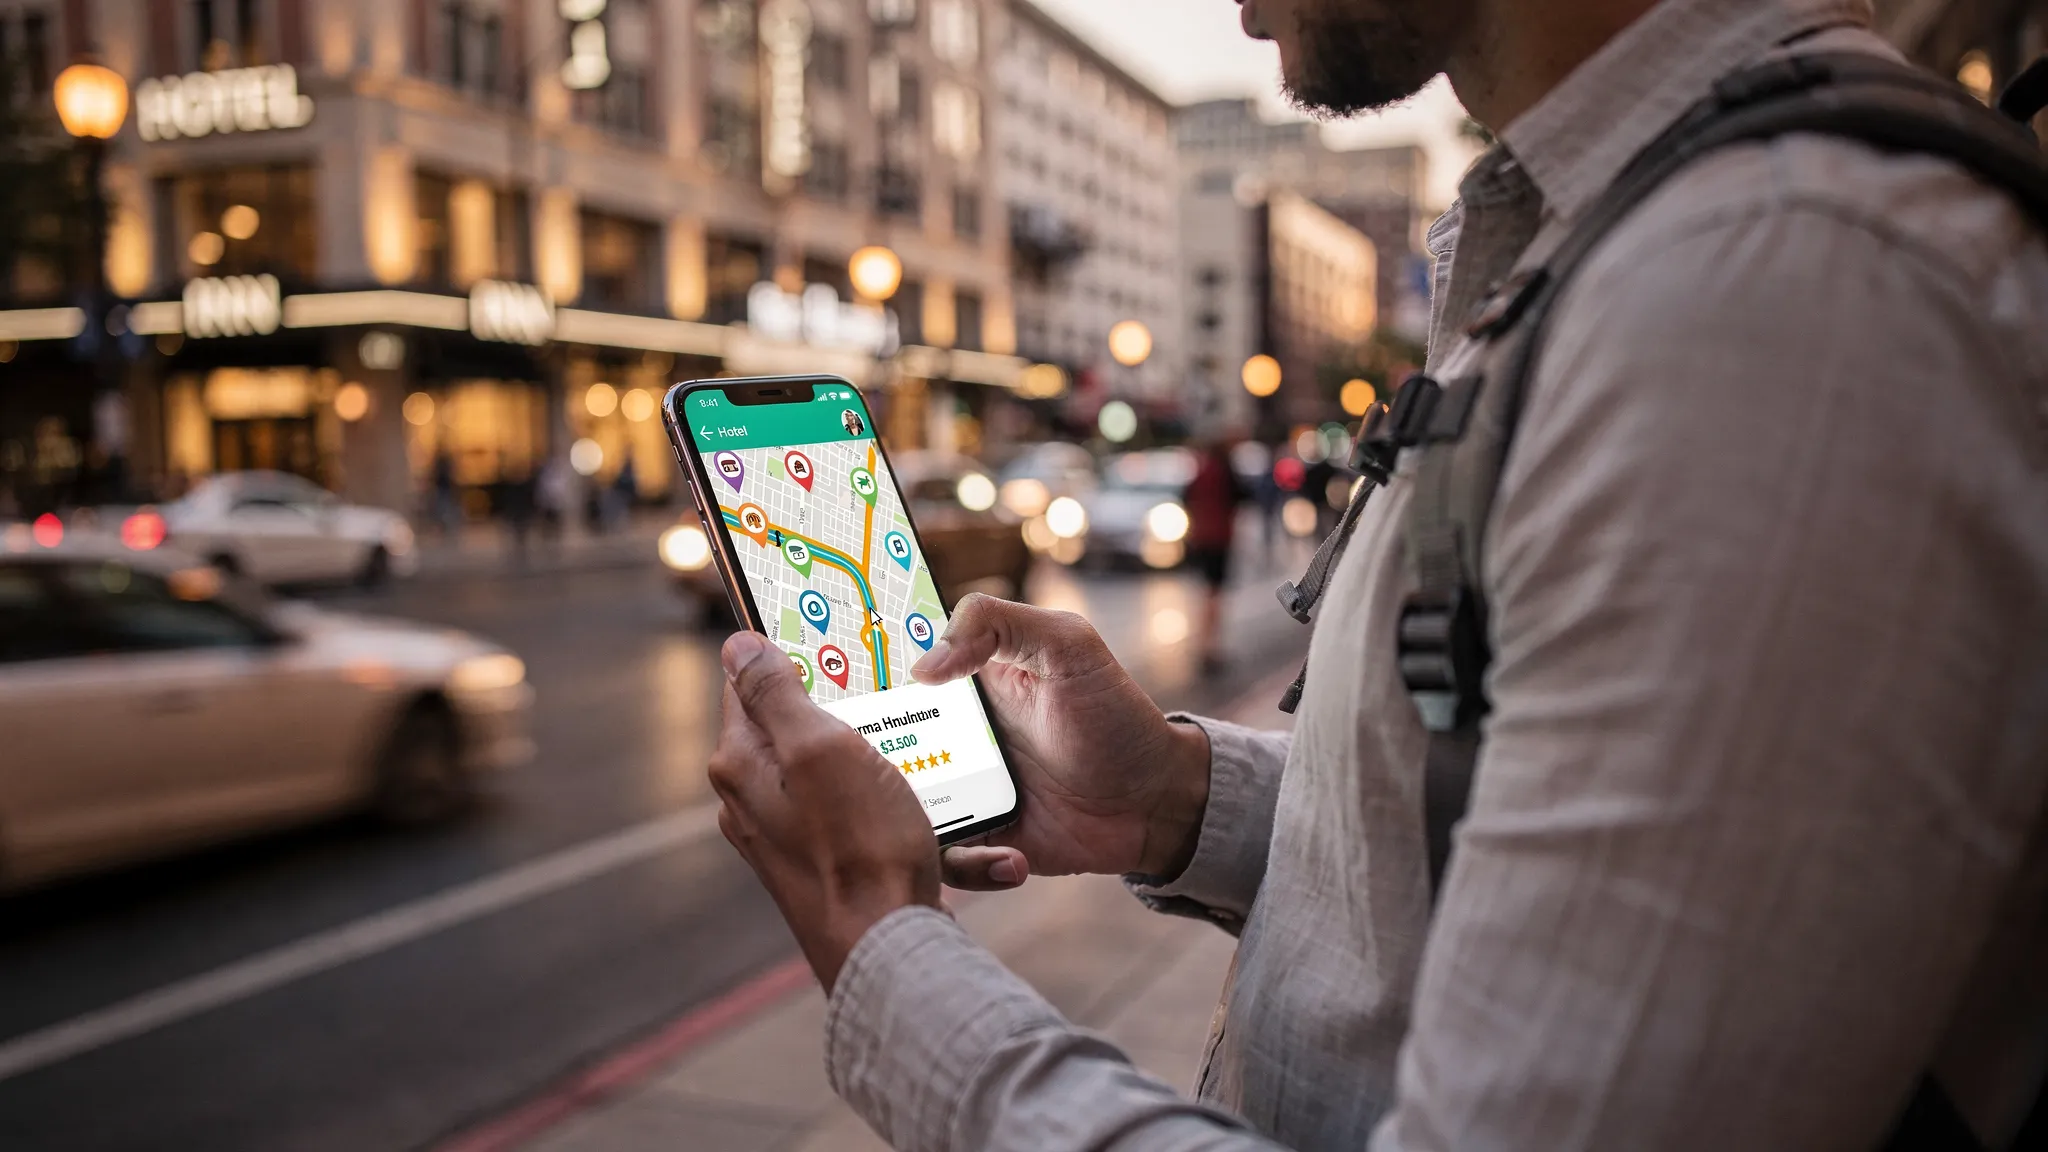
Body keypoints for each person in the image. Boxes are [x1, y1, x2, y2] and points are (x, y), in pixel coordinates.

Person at [706, 0, 2048, 1149]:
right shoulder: (1652, 235)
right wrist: (1177, 798)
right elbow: (1536, 806)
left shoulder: (1774, 293)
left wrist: (888, 956)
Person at [1181, 433, 1247, 673]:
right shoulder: (1223, 471)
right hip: (1219, 537)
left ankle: (1204, 645)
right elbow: (1241, 497)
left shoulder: (1201, 471)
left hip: (1203, 537)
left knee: (1208, 593)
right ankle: (1209, 647)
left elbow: (1186, 498)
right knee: (1214, 594)